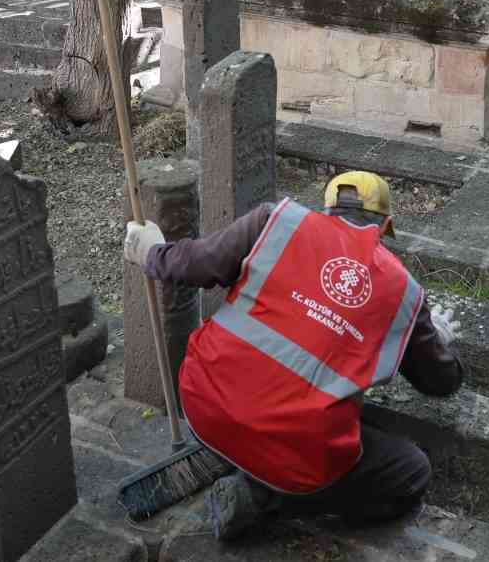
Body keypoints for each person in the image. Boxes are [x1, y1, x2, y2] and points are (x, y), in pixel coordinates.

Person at [123, 172, 463, 542]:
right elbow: (441, 382)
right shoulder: (404, 293)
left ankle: (235, 457)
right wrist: (435, 337)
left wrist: (151, 252)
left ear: (327, 208)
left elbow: (193, 265)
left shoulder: (276, 221)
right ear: (386, 225)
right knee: (410, 472)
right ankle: (264, 496)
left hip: (205, 404)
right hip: (294, 447)